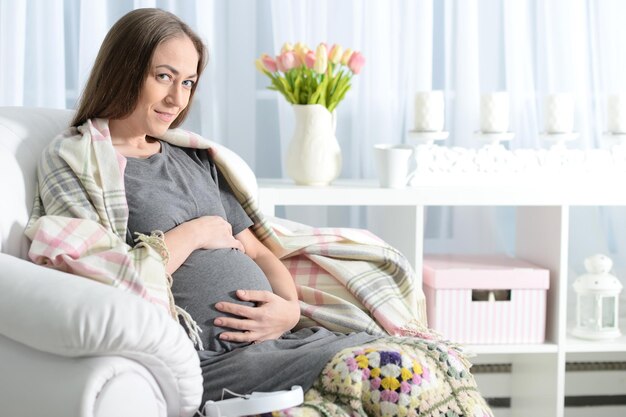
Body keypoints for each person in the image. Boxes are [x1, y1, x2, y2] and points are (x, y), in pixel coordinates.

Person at [26, 8, 493, 417]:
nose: (177, 100)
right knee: (396, 376)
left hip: (285, 338)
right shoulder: (78, 160)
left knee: (435, 362)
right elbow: (100, 277)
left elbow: (260, 250)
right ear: (124, 69)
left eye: (187, 82)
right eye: (163, 77)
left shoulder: (192, 159)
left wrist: (288, 310)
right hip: (220, 358)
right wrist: (194, 233)